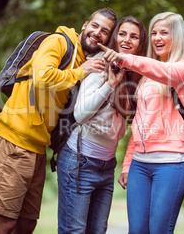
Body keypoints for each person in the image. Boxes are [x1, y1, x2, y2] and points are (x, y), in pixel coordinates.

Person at [0, 7, 117, 234]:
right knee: (5, 222)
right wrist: (79, 72)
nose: (97, 33)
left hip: (37, 149)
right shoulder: (59, 42)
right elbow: (42, 76)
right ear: (85, 25)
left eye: (105, 31)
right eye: (95, 26)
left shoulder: (88, 62)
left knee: (26, 224)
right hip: (13, 140)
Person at [101, 12, 184, 234]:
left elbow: (161, 70)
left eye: (164, 32)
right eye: (154, 33)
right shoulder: (145, 77)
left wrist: (122, 58)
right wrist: (127, 164)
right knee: (136, 231)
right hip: (140, 165)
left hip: (171, 163)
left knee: (159, 230)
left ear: (178, 36)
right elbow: (139, 123)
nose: (157, 38)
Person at [56, 16, 147, 234]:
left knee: (98, 230)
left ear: (140, 44)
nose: (127, 40)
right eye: (123, 34)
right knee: (74, 230)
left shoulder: (135, 75)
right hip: (79, 161)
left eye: (134, 37)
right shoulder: (99, 63)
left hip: (107, 165)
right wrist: (109, 84)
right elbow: (80, 114)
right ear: (115, 38)